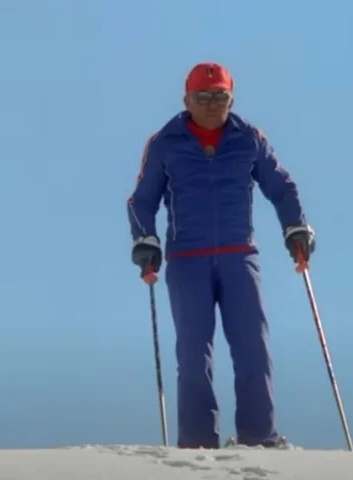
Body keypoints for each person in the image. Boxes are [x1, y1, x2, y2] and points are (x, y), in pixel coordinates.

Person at [126, 62, 315, 449]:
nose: (212, 105)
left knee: (253, 348)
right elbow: (142, 200)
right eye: (203, 97)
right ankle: (197, 444)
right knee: (194, 355)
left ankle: (258, 438)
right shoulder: (166, 142)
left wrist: (295, 227)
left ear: (231, 98)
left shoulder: (249, 139)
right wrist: (146, 240)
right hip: (187, 259)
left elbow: (281, 187)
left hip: (238, 255)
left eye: (220, 97)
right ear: (187, 99)